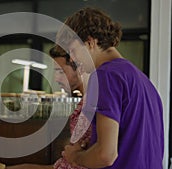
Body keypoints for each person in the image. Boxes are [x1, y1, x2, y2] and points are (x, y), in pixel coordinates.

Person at [57, 7, 164, 169]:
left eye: (72, 50)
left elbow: (106, 155)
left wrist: (75, 156)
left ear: (90, 42)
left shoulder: (104, 75)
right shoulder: (143, 81)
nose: (72, 58)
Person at [6, 46, 92, 169]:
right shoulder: (82, 103)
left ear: (80, 69)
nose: (56, 78)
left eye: (61, 71)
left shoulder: (93, 104)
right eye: (55, 72)